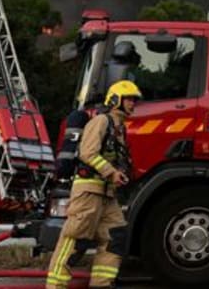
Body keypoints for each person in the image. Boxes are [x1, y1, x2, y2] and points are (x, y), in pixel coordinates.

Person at [45, 80, 140, 289]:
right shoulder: (101, 122)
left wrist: (122, 174)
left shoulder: (119, 128)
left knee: (115, 237)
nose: (134, 104)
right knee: (74, 239)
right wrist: (111, 172)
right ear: (115, 100)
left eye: (135, 100)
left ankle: (101, 284)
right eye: (130, 99)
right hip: (88, 190)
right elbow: (88, 153)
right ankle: (55, 286)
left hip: (107, 193)